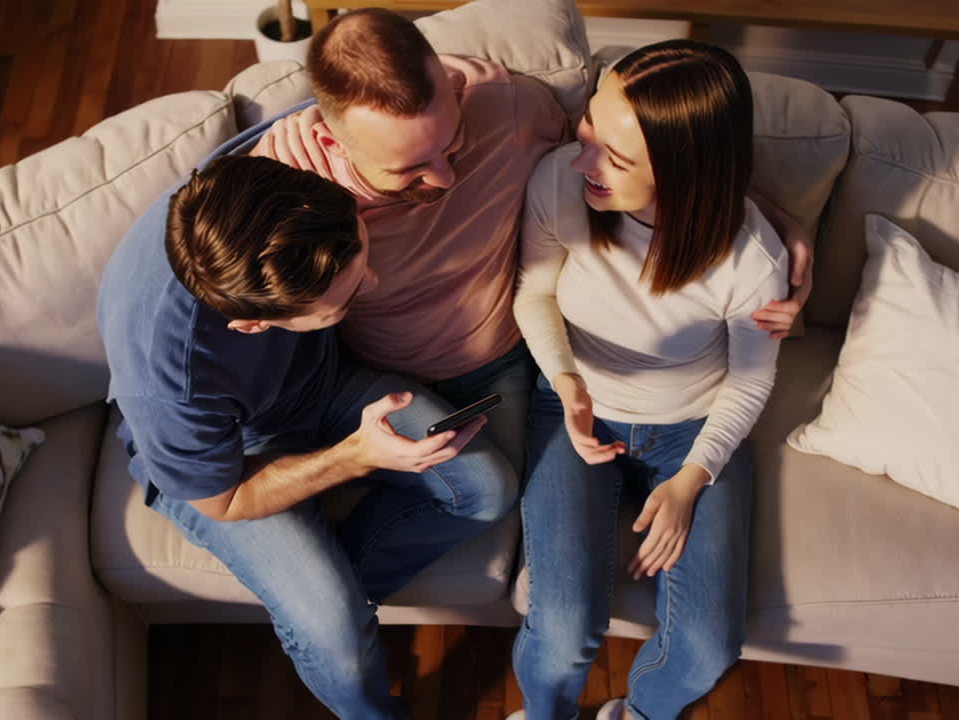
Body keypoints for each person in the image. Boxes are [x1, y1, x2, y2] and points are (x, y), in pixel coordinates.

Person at [250, 10, 812, 476]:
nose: (444, 178)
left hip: (504, 363)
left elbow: (648, 148)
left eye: (452, 144)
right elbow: (213, 265)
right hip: (381, 373)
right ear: (331, 139)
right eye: (411, 169)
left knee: (491, 492)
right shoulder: (288, 185)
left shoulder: (511, 108)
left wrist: (767, 215)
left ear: (451, 84)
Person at [97, 154, 517, 719]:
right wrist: (355, 457)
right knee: (336, 637)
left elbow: (376, 107)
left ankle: (331, 591)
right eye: (340, 302)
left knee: (487, 488)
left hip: (319, 385)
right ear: (253, 325)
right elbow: (224, 500)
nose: (373, 282)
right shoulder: (170, 377)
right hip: (228, 461)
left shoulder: (261, 175)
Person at [508, 40, 788, 720]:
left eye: (615, 156)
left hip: (691, 428)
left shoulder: (752, 260)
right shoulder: (557, 182)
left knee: (706, 643)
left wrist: (692, 480)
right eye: (589, 131)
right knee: (562, 626)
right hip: (575, 407)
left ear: (682, 169)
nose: (582, 161)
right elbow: (533, 294)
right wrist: (567, 381)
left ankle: (636, 714)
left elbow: (749, 383)